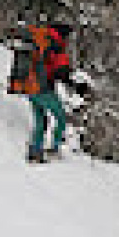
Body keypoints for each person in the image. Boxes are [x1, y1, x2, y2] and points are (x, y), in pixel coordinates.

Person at [21, 24, 87, 162]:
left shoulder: (40, 41)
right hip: (43, 89)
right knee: (61, 118)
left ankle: (35, 152)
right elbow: (61, 73)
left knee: (41, 120)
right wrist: (77, 86)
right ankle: (54, 149)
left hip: (28, 87)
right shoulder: (56, 47)